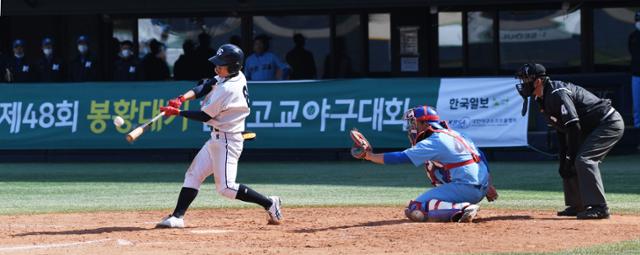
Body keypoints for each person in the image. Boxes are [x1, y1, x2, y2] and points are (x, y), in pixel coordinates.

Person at [155, 44, 283, 228]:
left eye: (221, 65)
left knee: (226, 188)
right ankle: (177, 217)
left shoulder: (228, 89)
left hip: (228, 141)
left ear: (233, 66)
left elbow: (205, 116)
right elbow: (206, 85)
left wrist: (178, 113)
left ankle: (270, 203)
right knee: (193, 175)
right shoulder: (232, 76)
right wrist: (182, 98)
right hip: (217, 138)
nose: (217, 67)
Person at [351, 105, 498, 223]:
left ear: (425, 123)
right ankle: (462, 206)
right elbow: (481, 157)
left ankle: (463, 208)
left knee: (415, 208)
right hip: (480, 186)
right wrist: (488, 185)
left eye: (414, 123)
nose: (411, 127)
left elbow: (401, 157)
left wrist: (369, 156)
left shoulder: (435, 141)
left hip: (465, 188)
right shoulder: (457, 134)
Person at [515, 63, 624, 219]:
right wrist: (564, 160)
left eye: (525, 79)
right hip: (588, 127)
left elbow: (573, 126)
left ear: (538, 81)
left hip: (608, 123)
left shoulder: (557, 93)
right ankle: (577, 205)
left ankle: (599, 207)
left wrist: (570, 157)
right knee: (569, 161)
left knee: (583, 160)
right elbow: (562, 130)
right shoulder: (542, 97)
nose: (522, 84)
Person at [629, 10, 640, 128]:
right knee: (637, 105)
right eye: (638, 20)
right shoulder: (633, 36)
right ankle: (638, 128)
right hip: (636, 74)